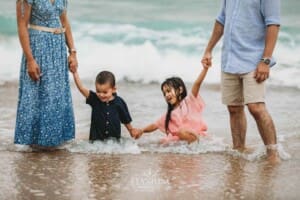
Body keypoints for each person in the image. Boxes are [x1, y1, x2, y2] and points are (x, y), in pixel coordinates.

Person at [201, 0, 281, 162]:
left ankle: (273, 154)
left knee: (256, 107)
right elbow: (221, 20)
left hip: (254, 59)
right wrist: (208, 49)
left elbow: (273, 24)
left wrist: (265, 60)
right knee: (234, 108)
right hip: (229, 58)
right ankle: (239, 150)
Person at [14, 0, 77, 148]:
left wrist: (73, 52)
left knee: (56, 95)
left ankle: (53, 142)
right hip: (38, 49)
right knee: (36, 93)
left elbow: (64, 21)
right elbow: (22, 26)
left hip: (58, 49)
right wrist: (30, 59)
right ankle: (33, 143)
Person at [134, 67, 209, 144]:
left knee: (181, 131)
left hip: (196, 136)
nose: (166, 95)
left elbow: (197, 84)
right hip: (182, 139)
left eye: (168, 91)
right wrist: (142, 130)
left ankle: (195, 139)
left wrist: (205, 69)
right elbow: (155, 125)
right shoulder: (169, 115)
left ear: (180, 90)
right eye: (164, 93)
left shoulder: (189, 102)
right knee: (162, 142)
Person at [72, 70, 139, 142]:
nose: (101, 95)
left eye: (105, 92)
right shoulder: (94, 99)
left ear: (113, 89)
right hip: (96, 143)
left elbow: (125, 119)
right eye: (98, 91)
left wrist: (131, 130)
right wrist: (75, 73)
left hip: (114, 143)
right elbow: (81, 88)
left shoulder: (119, 102)